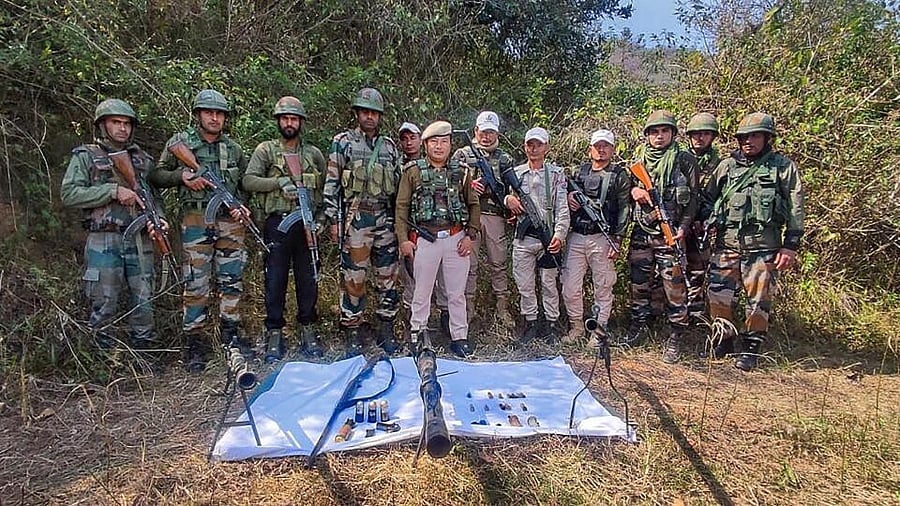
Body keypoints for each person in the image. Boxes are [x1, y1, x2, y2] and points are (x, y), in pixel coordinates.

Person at [149, 89, 249, 372]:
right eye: (209, 113)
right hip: (195, 221)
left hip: (229, 223)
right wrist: (181, 176)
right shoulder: (180, 143)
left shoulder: (233, 149)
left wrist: (241, 206)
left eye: (219, 114)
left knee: (232, 280)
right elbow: (155, 176)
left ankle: (230, 337)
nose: (214, 118)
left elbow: (243, 184)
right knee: (195, 283)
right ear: (198, 115)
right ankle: (196, 343)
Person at [702, 112, 804, 371]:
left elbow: (795, 207)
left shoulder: (782, 167)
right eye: (744, 137)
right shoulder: (726, 166)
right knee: (718, 295)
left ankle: (751, 348)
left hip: (764, 247)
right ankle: (723, 340)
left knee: (758, 300)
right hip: (727, 244)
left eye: (755, 136)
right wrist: (704, 220)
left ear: (767, 138)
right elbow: (707, 198)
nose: (749, 141)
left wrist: (790, 245)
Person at [61, 98, 165, 350]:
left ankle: (144, 353)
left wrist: (159, 219)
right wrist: (112, 191)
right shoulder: (86, 156)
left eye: (127, 123)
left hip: (139, 237)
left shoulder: (142, 159)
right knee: (103, 299)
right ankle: (103, 356)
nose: (122, 128)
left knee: (144, 298)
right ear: (103, 125)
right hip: (104, 238)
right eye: (116, 122)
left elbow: (153, 196)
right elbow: (69, 194)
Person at [242, 96, 326, 361]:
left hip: (307, 225)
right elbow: (249, 181)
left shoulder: (312, 154)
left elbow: (326, 190)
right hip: (278, 223)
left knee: (308, 279)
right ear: (278, 121)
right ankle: (275, 334)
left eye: (294, 119)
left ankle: (308, 329)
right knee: (275, 280)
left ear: (301, 122)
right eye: (285, 118)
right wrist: (278, 183)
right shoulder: (266, 150)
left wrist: (322, 220)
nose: (290, 123)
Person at [322, 87, 402, 356]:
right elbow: (331, 182)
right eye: (365, 112)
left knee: (387, 278)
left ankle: (386, 329)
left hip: (385, 220)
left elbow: (399, 189)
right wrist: (333, 219)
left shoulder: (390, 146)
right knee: (354, 279)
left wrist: (399, 225)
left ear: (379, 116)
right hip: (356, 220)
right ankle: (352, 331)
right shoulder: (343, 142)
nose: (369, 117)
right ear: (357, 113)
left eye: (374, 113)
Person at [395, 121, 480, 357]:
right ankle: (417, 333)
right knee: (421, 291)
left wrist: (470, 235)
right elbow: (401, 208)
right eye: (434, 141)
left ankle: (459, 337)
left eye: (444, 141)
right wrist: (404, 240)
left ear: (451, 144)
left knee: (456, 293)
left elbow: (473, 204)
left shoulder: (461, 172)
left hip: (455, 238)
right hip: (425, 239)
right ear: (425, 145)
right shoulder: (413, 171)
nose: (439, 146)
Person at [626, 110, 699, 364]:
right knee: (639, 283)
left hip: (671, 233)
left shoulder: (685, 160)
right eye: (654, 132)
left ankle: (675, 336)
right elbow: (625, 192)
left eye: (664, 131)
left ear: (672, 134)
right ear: (647, 135)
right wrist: (635, 190)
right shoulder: (639, 160)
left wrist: (683, 228)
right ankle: (638, 327)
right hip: (642, 232)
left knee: (674, 286)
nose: (659, 136)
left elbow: (693, 200)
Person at [561, 129, 631, 343]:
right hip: (576, 236)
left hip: (602, 237)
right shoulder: (577, 172)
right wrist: (569, 197)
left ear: (612, 149)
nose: (601, 150)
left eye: (606, 146)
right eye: (597, 146)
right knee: (570, 286)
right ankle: (577, 327)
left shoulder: (619, 175)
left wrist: (617, 239)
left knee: (603, 285)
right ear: (590, 149)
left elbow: (623, 209)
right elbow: (560, 195)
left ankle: (598, 331)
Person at [451, 111, 516, 327]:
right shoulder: (462, 154)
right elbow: (449, 184)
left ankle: (502, 310)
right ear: (475, 131)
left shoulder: (505, 158)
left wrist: (510, 204)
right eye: (482, 131)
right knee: (469, 266)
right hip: (469, 218)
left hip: (495, 217)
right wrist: (468, 187)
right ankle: (467, 312)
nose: (486, 136)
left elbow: (513, 189)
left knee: (498, 264)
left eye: (490, 132)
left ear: (496, 133)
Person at [505, 127, 570, 342]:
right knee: (524, 284)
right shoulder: (516, 173)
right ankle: (530, 322)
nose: (534, 149)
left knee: (549, 284)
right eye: (530, 145)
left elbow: (562, 208)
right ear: (525, 147)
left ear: (546, 147)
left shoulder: (556, 174)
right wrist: (508, 200)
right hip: (524, 238)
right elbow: (503, 197)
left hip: (547, 238)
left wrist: (559, 236)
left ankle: (551, 324)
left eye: (538, 145)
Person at [684, 112, 722, 322]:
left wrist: (707, 219)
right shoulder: (679, 159)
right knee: (670, 272)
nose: (700, 138)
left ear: (712, 137)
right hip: (679, 224)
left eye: (705, 134)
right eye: (696, 134)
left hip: (702, 228)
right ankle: (669, 316)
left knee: (697, 272)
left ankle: (695, 318)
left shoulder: (720, 165)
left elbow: (722, 197)